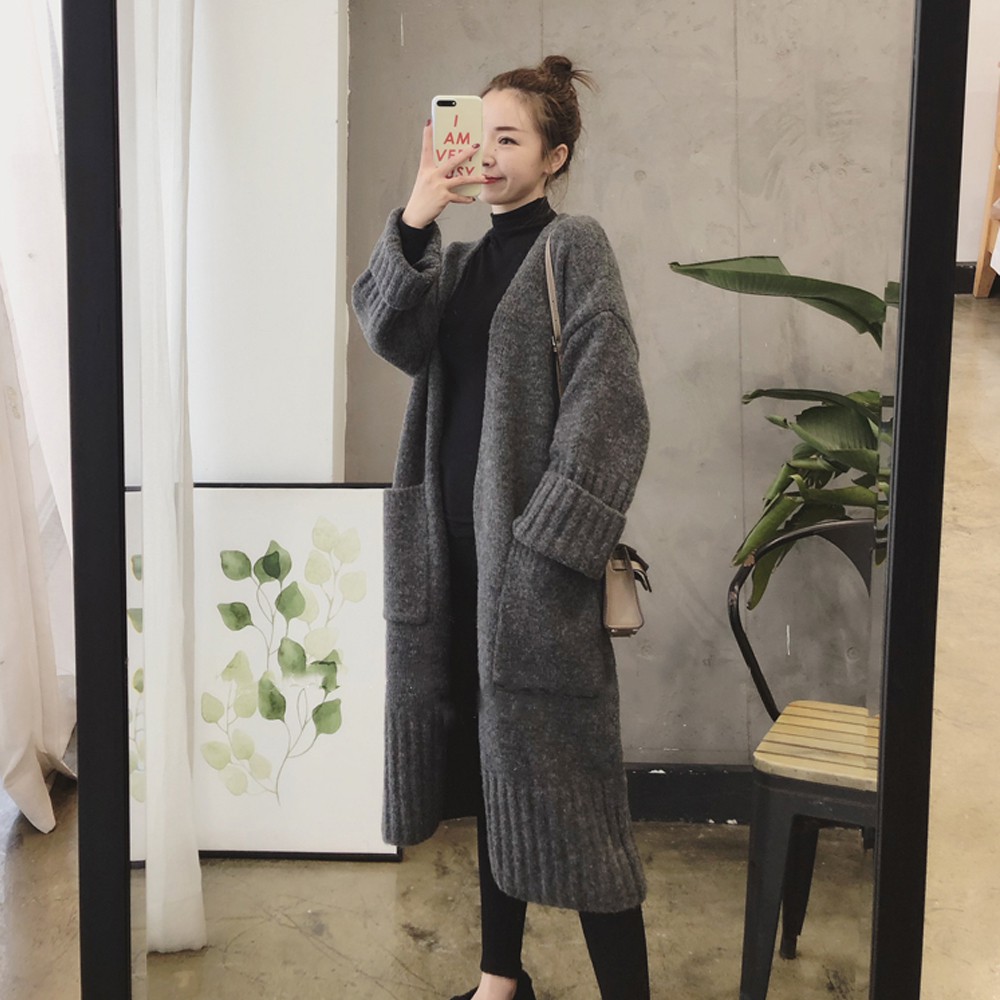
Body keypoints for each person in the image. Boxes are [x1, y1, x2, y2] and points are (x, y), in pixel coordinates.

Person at [352, 55, 651, 1000]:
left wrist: (542, 553)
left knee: (577, 798)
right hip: (448, 564)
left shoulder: (574, 249)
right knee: (492, 781)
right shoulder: (457, 264)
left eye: (508, 138)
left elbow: (612, 409)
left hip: (529, 574)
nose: (485, 153)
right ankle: (498, 981)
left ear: (554, 157)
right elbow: (388, 332)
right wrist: (416, 215)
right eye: (477, 135)